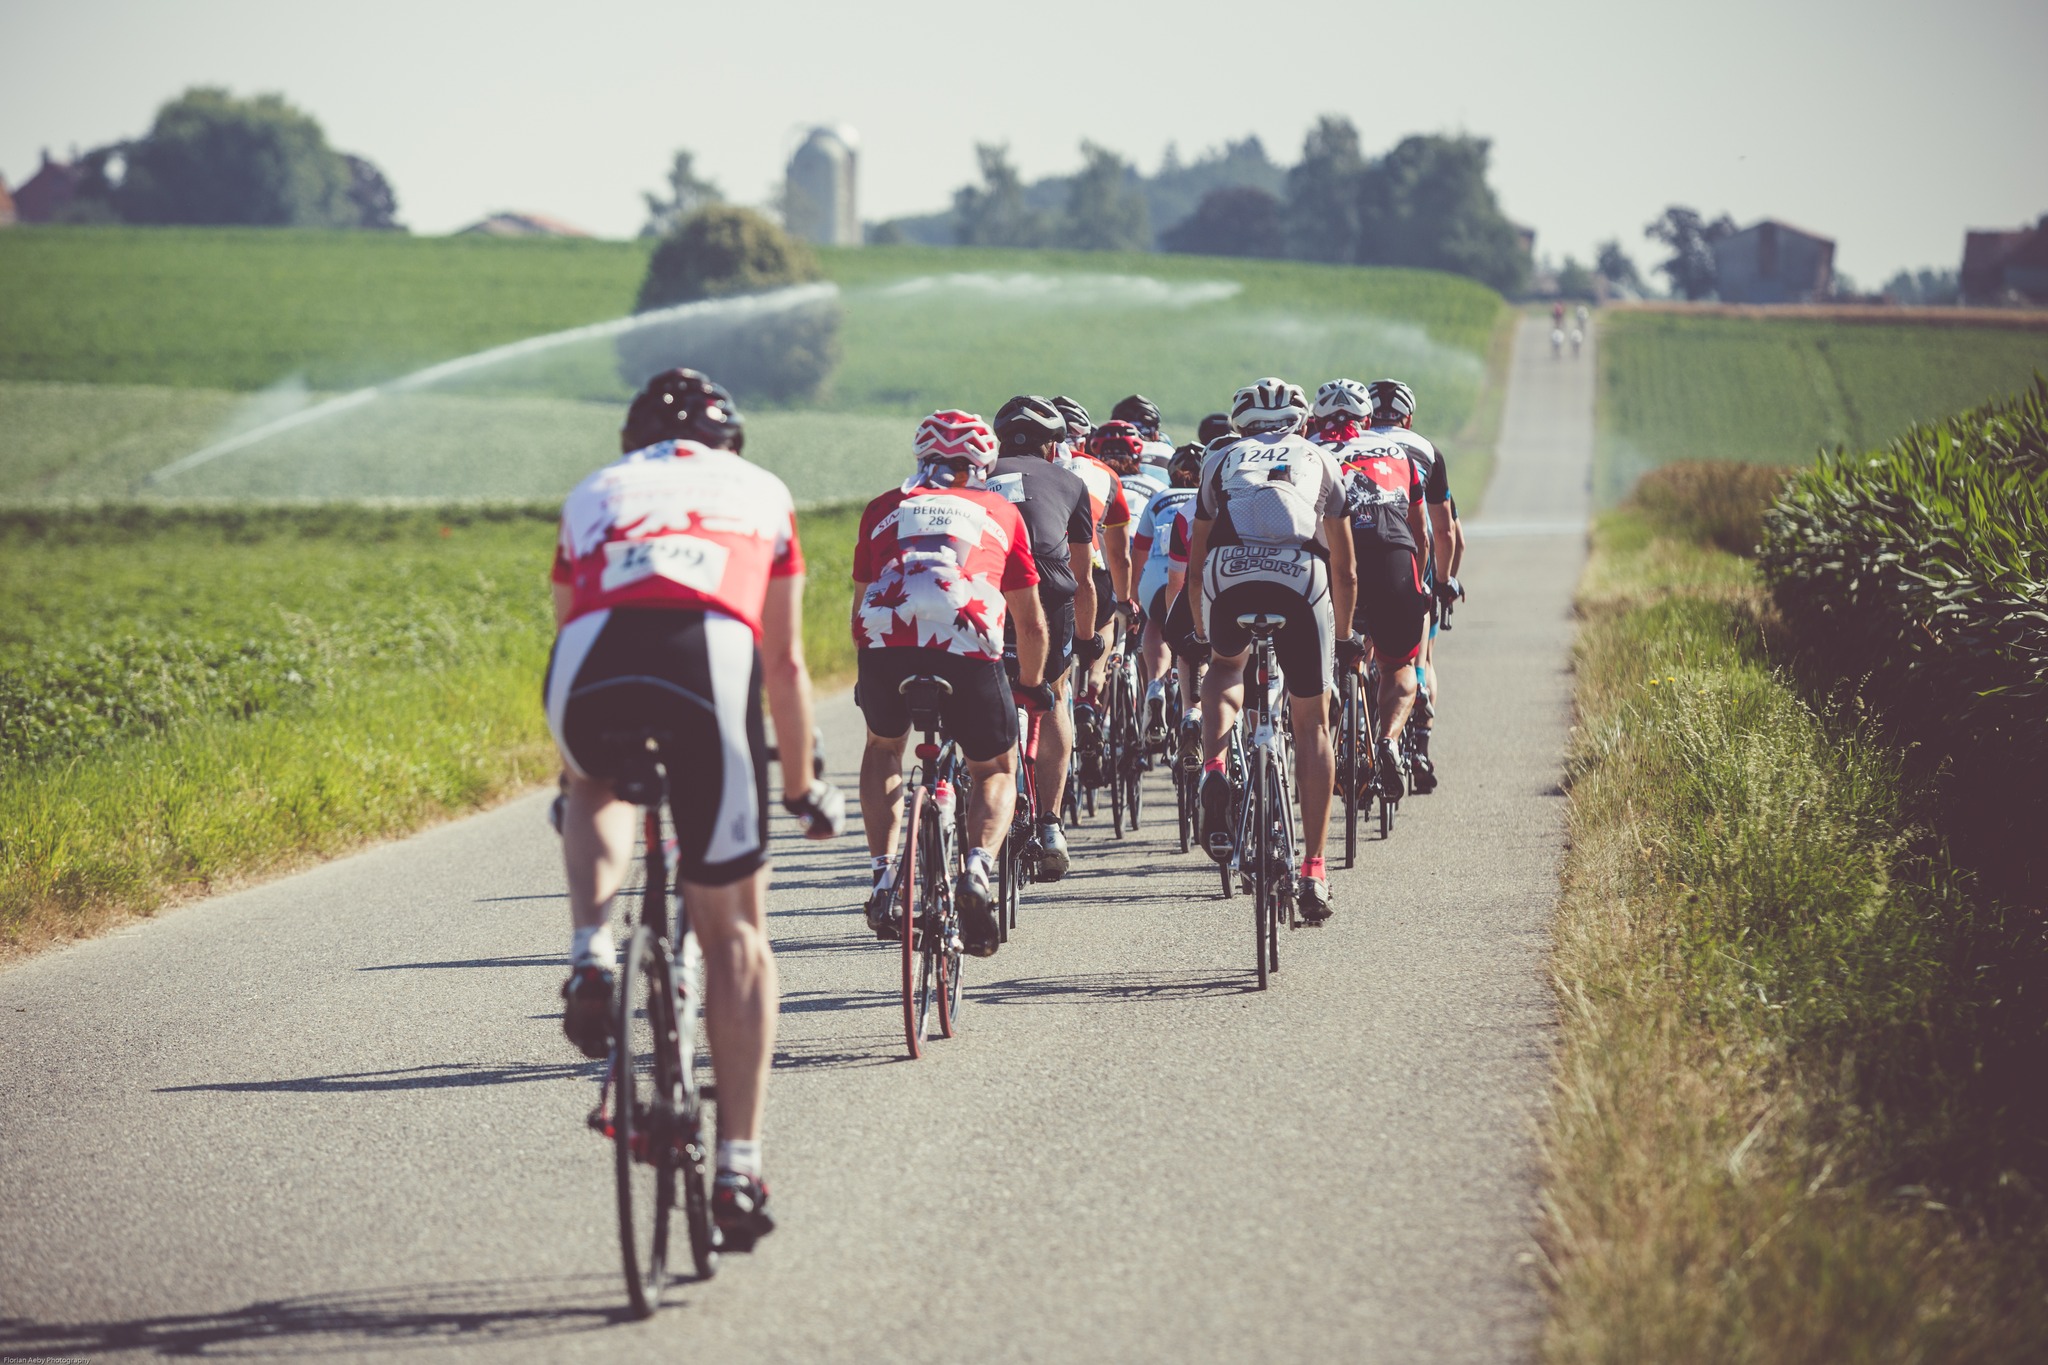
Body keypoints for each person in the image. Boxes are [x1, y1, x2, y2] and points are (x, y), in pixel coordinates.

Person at [548, 368, 845, 1250]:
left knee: (590, 783)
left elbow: (569, 622)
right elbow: (786, 664)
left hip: (591, 664)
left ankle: (590, 950)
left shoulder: (595, 490)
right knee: (737, 934)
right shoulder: (760, 490)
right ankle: (738, 1166)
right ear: (730, 442)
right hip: (706, 663)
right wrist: (797, 787)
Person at [851, 410, 1050, 959]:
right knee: (995, 767)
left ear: (921, 459)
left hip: (886, 638)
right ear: (982, 465)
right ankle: (977, 870)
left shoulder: (882, 507)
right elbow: (1030, 623)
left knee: (884, 747)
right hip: (968, 637)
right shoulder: (1001, 511)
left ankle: (884, 875)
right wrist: (1030, 687)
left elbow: (859, 609)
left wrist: (871, 677)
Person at [1187, 378, 1357, 924]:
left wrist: (1200, 629)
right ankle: (1313, 868)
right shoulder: (1320, 458)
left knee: (1225, 667)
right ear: (1300, 421)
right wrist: (1346, 635)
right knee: (1312, 724)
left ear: (1241, 424)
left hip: (1229, 575)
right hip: (1301, 580)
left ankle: (1215, 763)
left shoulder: (1219, 458)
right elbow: (1346, 569)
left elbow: (1195, 561)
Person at [988, 395, 1098, 880]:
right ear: (1053, 446)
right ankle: (1050, 823)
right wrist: (1091, 637)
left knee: (981, 683)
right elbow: (1085, 573)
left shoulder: (977, 473)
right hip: (1047, 586)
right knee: (1054, 696)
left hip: (985, 582)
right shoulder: (1072, 482)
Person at [1309, 379, 1430, 799]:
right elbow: (1422, 534)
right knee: (1399, 666)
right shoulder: (1400, 453)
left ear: (1316, 419)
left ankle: (1334, 713)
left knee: (1328, 657)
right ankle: (1389, 740)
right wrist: (1421, 582)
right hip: (1397, 556)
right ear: (1366, 419)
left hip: (1335, 562)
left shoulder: (1310, 453)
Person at [1365, 378, 1463, 792]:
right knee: (1417, 656)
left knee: (1363, 645)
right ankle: (1418, 740)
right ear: (1408, 417)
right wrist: (1442, 582)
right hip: (1410, 557)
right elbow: (1446, 533)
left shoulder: (1359, 445)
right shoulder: (1426, 451)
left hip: (1357, 555)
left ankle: (1358, 725)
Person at [1131, 442, 1202, 743]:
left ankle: (1154, 686)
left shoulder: (1159, 497)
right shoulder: (1205, 499)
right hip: (1192, 577)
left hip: (1156, 578)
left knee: (1154, 622)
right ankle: (1194, 710)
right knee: (1200, 637)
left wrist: (1134, 595)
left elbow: (1139, 548)